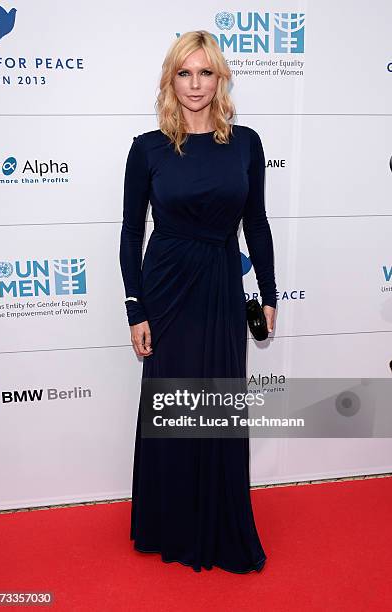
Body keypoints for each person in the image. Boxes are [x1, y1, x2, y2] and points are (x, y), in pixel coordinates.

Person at [119, 30, 277, 574]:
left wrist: (270, 293)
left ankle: (218, 521)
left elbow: (254, 222)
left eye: (205, 73)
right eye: (184, 73)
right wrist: (134, 307)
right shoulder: (147, 148)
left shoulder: (247, 142)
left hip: (218, 283)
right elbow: (128, 231)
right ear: (171, 78)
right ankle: (170, 522)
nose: (195, 84)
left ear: (220, 78)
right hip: (164, 288)